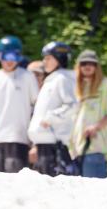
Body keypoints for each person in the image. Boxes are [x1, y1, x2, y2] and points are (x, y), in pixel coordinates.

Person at [0, 35, 38, 174]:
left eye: (14, 56)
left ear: (19, 57)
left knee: (16, 181)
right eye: (6, 56)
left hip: (20, 138)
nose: (10, 60)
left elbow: (37, 108)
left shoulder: (28, 76)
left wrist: (35, 142)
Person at [68, 51, 107, 179]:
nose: (87, 66)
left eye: (92, 63)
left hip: (96, 149)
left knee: (93, 190)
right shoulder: (74, 86)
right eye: (83, 63)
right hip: (75, 151)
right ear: (78, 66)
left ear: (97, 67)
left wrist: (96, 127)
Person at [28, 41, 77, 177]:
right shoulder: (52, 79)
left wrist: (50, 118)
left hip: (54, 145)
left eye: (48, 58)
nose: (44, 62)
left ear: (60, 59)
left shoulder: (63, 79)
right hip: (43, 143)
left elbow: (72, 105)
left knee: (53, 185)